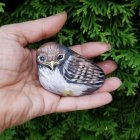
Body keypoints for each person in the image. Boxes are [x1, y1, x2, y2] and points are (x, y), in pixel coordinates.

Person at [0, 12, 122, 132]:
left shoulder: (70, 66)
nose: (52, 64)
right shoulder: (42, 72)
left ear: (64, 55)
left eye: (59, 58)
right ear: (38, 60)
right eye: (43, 59)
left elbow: (95, 76)